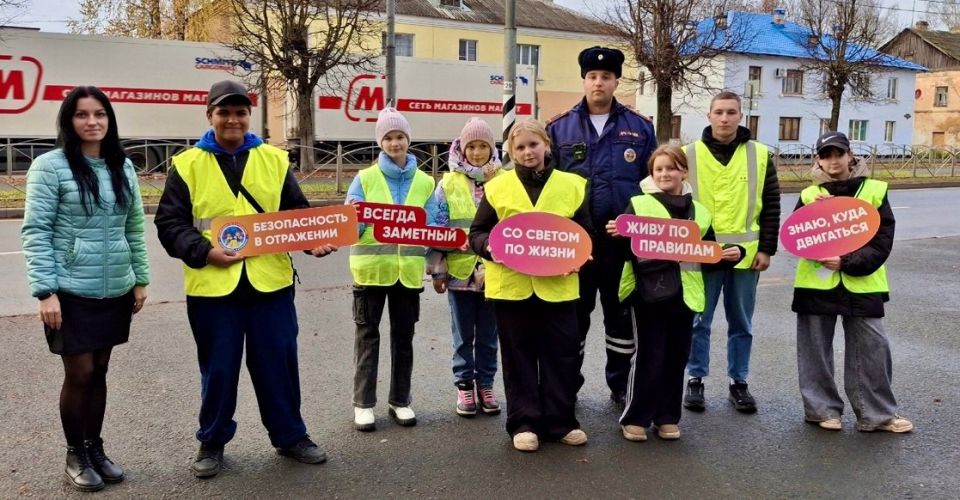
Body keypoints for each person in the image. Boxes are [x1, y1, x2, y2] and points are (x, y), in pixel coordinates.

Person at [155, 80, 333, 478]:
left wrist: (313, 242)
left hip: (271, 284)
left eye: (239, 112)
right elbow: (170, 224)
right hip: (213, 288)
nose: (232, 119)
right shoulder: (187, 164)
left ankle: (291, 436)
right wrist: (204, 252)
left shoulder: (273, 159)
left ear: (249, 116)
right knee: (218, 369)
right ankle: (212, 441)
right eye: (224, 112)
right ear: (210, 116)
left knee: (279, 364)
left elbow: (295, 215)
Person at [21, 86, 150, 492]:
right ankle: (75, 453)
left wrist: (141, 279)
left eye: (99, 114)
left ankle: (95, 448)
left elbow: (134, 226)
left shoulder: (122, 166)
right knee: (79, 373)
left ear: (109, 120)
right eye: (82, 114)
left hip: (114, 287)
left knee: (101, 371)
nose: (91, 121)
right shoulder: (50, 166)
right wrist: (45, 291)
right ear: (68, 120)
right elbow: (36, 231)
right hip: (70, 289)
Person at [469, 119, 593, 452]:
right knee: (518, 355)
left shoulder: (573, 184)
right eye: (520, 147)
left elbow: (585, 234)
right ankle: (524, 422)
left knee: (561, 355)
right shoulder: (497, 187)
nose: (527, 152)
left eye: (533, 145)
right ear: (511, 152)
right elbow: (477, 233)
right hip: (512, 286)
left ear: (547, 146)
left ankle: (561, 421)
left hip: (559, 286)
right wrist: (491, 247)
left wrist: (579, 257)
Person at [609, 145, 742, 442]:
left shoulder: (701, 212)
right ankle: (636, 417)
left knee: (675, 357)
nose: (665, 174)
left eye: (671, 168)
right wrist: (620, 235)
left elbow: (706, 254)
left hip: (686, 295)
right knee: (648, 355)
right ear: (651, 174)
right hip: (647, 294)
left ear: (684, 171)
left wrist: (731, 254)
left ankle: (667, 417)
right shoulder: (639, 205)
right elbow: (623, 252)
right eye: (658, 169)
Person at [547, 46, 657, 404]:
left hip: (621, 247)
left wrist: (635, 226)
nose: (599, 83)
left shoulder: (639, 128)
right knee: (571, 322)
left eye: (606, 77)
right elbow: (547, 189)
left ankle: (620, 385)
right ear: (584, 80)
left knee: (620, 321)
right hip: (575, 247)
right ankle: (567, 386)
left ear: (616, 81)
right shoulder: (559, 128)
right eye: (593, 77)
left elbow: (652, 187)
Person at [792, 131, 912, 433]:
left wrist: (848, 263)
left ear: (850, 156)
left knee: (872, 349)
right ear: (818, 160)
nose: (833, 161)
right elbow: (798, 238)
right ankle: (822, 411)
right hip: (816, 284)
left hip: (863, 283)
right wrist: (813, 212)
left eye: (838, 154)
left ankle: (877, 414)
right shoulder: (809, 195)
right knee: (815, 352)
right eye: (826, 155)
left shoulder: (874, 191)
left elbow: (882, 240)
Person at [682, 91, 780, 413]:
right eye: (719, 112)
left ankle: (739, 382)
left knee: (741, 323)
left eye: (731, 112)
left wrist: (766, 248)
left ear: (741, 116)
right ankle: (695, 379)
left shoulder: (761, 155)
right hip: (701, 254)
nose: (725, 118)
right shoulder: (689, 155)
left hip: (747, 256)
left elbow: (771, 207)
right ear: (709, 115)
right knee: (699, 321)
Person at [344, 107, 438, 432]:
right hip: (370, 272)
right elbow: (349, 229)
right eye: (388, 138)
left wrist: (430, 249)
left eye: (399, 137)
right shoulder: (365, 178)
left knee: (404, 339)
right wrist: (359, 217)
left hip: (407, 274)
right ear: (380, 143)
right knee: (367, 337)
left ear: (408, 140)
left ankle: (401, 401)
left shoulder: (426, 182)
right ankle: (363, 404)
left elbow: (433, 226)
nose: (394, 143)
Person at [428, 118, 503, 417]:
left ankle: (486, 383)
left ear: (491, 148)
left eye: (482, 145)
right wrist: (438, 269)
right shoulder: (447, 184)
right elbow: (437, 227)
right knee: (462, 335)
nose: (476, 152)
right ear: (461, 148)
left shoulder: (503, 181)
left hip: (494, 272)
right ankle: (464, 385)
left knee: (489, 333)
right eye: (470, 146)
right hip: (459, 272)